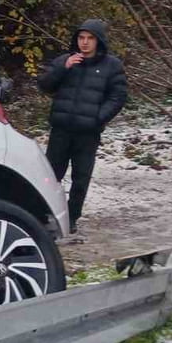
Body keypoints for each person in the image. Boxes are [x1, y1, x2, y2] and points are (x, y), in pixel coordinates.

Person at [37, 19, 128, 234]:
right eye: (81, 38)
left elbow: (118, 96)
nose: (84, 43)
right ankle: (44, 215)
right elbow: (44, 84)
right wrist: (64, 68)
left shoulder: (112, 65)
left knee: (81, 178)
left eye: (90, 38)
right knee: (51, 175)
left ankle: (72, 217)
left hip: (87, 133)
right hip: (61, 129)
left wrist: (98, 118)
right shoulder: (65, 60)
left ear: (99, 41)